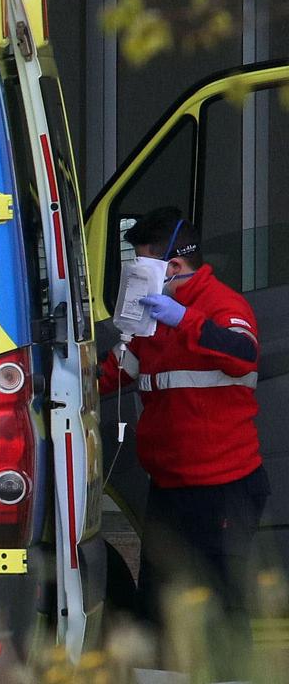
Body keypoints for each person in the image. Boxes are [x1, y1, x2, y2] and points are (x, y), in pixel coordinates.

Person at [99, 207, 268, 676]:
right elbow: (112, 374)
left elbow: (243, 354)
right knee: (159, 607)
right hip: (171, 489)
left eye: (142, 262)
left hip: (224, 488)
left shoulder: (223, 306)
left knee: (222, 607)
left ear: (172, 266)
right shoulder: (146, 320)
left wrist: (183, 318)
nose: (134, 273)